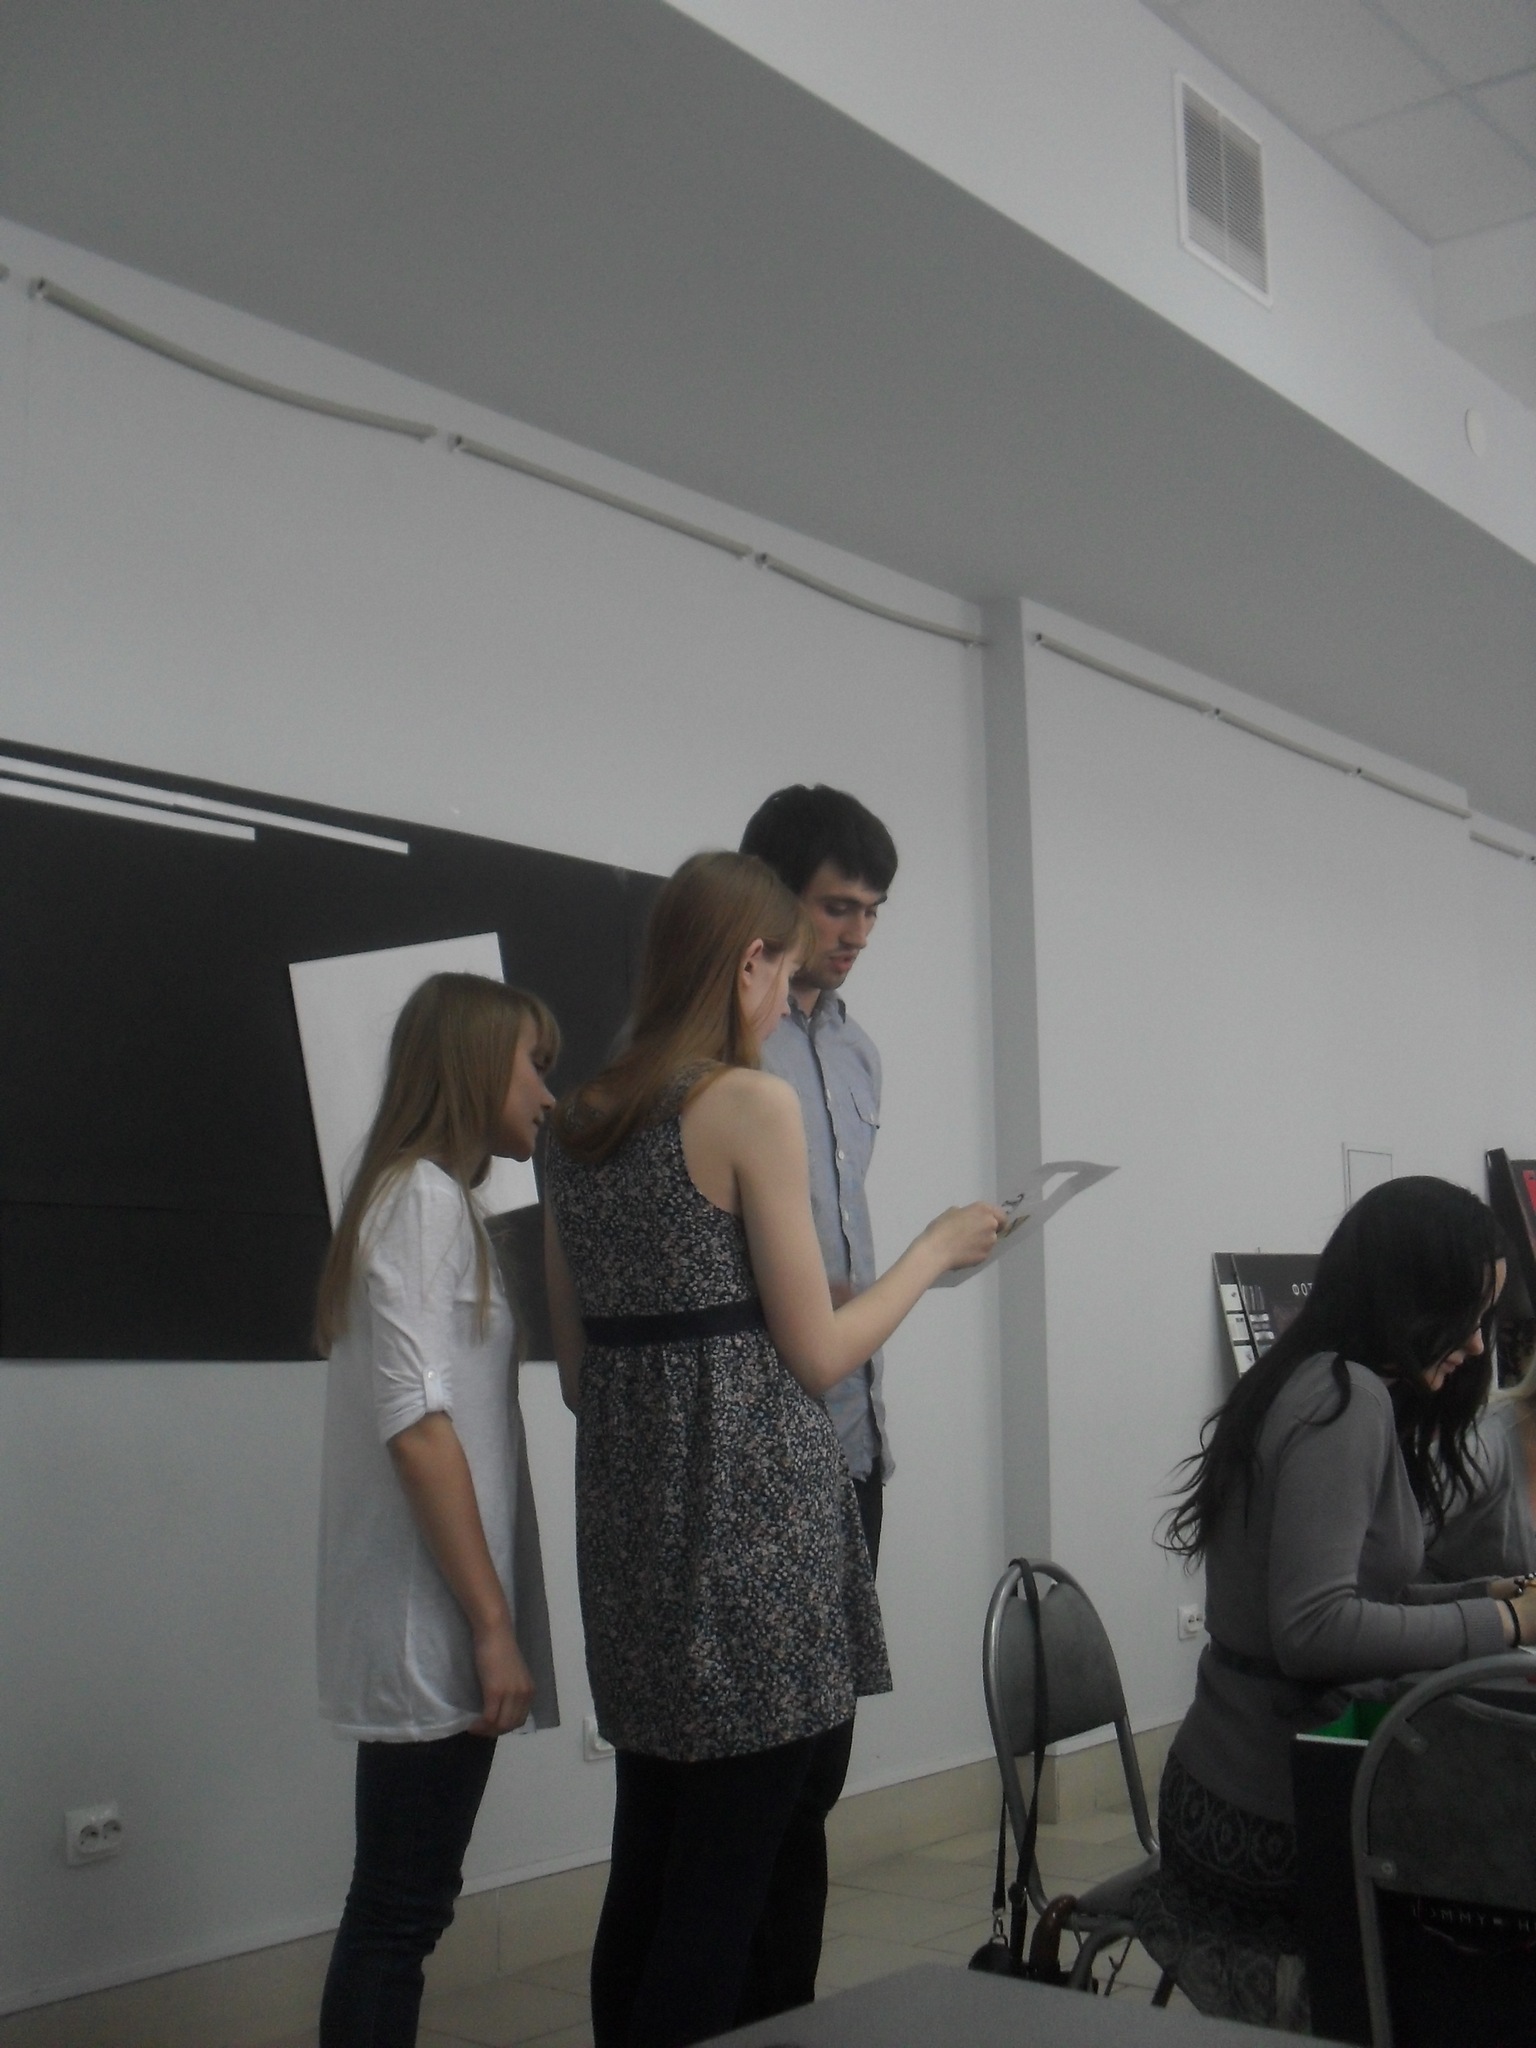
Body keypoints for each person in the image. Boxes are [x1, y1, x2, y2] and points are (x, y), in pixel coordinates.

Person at [543, 851, 1003, 2048]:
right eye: (788, 968)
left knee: (650, 1861)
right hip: (755, 1530)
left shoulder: (575, 1120)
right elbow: (820, 1352)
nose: (789, 992)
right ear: (751, 962)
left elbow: (582, 1374)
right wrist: (934, 1249)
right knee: (728, 1887)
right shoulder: (749, 1103)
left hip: (632, 1531)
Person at [1141, 1176, 1536, 2032]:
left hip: (1228, 1782)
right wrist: (1506, 1624)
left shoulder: (1311, 1378)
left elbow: (1357, 1594)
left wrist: (1484, 1593)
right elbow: (1316, 1631)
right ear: (1410, 1297)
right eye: (1468, 1315)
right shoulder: (1344, 1403)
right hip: (1261, 1818)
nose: (1477, 1344)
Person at [315, 973, 561, 2048]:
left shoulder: (434, 1201)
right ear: (471, 1067)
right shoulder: (415, 1200)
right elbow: (416, 1429)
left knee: (403, 1904)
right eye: (532, 1066)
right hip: (433, 1617)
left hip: (438, 1609)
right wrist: (493, 1624)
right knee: (398, 1912)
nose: (547, 1094)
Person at [734, 784, 896, 2020]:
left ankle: (787, 2006)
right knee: (756, 1777)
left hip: (852, 1435)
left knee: (821, 1764)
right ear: (772, 896)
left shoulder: (855, 1049)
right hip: (758, 1442)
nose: (856, 933)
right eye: (838, 906)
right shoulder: (718, 1054)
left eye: (873, 911)